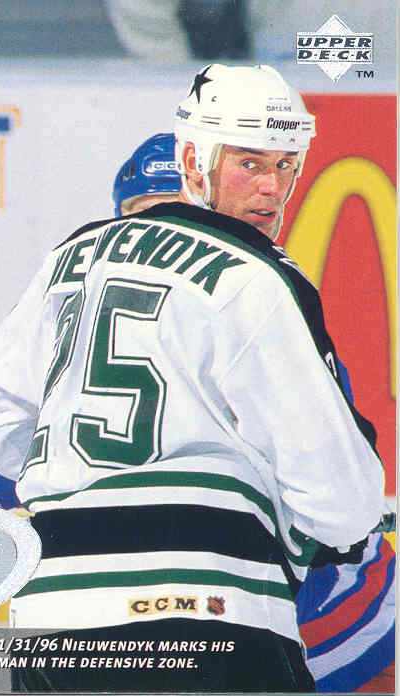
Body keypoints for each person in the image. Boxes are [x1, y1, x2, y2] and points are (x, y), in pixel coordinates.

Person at [0, 64, 385, 692]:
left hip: (50, 622)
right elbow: (340, 500)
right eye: (250, 163)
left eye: (285, 166)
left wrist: (80, 491)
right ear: (195, 165)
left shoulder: (67, 258)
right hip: (207, 612)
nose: (271, 188)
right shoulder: (257, 277)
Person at [112, 131, 396, 694]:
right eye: (145, 220)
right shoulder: (78, 319)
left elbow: (334, 496)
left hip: (326, 614)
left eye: (181, 216)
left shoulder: (260, 308)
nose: (165, 236)